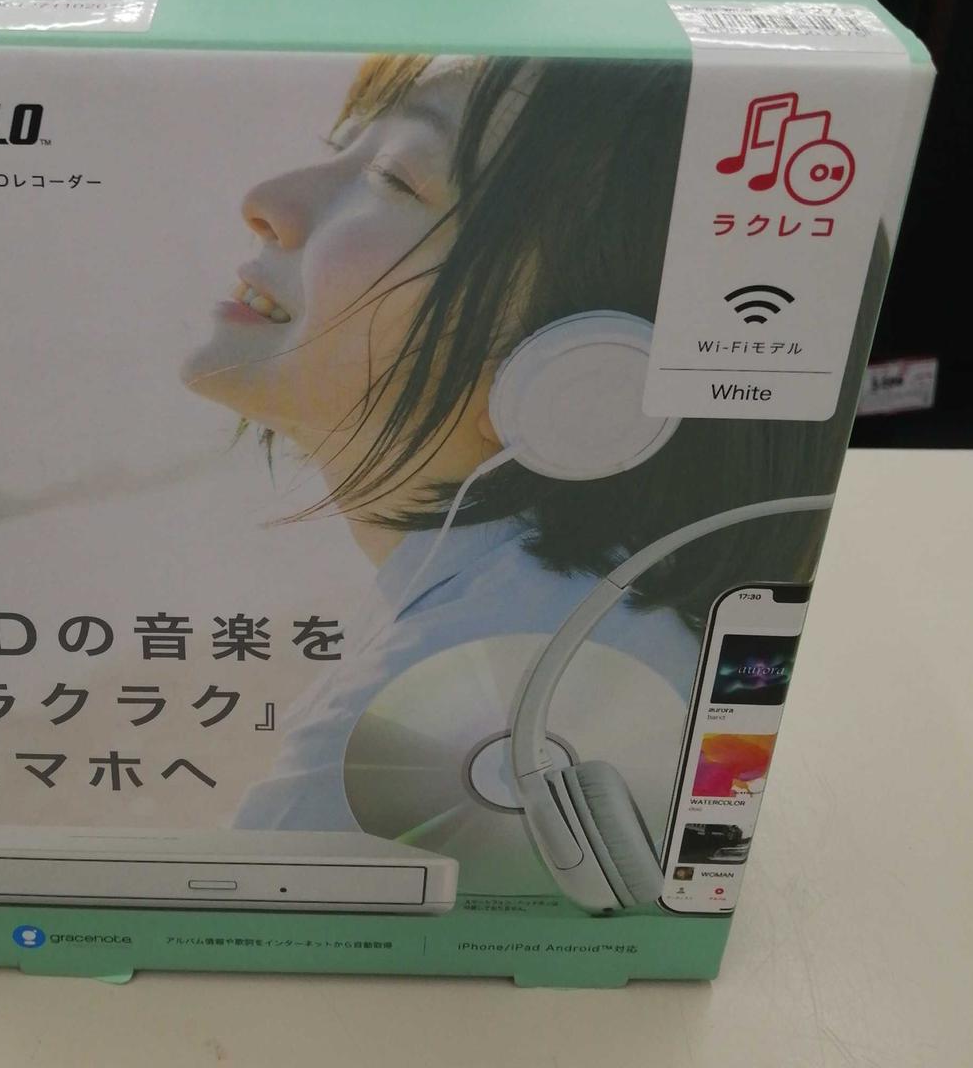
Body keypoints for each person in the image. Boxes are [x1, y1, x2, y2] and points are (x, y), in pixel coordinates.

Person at [181, 52, 887, 834]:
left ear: (579, 381)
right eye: (340, 147)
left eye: (394, 178)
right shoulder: (565, 623)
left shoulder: (480, 695)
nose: (266, 201)